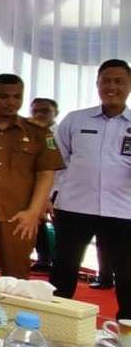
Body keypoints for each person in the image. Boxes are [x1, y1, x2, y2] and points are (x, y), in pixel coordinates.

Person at [0, 74, 63, 280]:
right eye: (3, 96)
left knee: (16, 277)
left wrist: (34, 212)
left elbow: (46, 173)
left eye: (17, 97)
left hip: (19, 215)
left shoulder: (38, 132)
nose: (11, 102)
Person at [50, 59, 131, 319]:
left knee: (127, 273)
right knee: (63, 267)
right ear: (97, 84)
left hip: (123, 211)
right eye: (106, 81)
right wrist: (52, 196)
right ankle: (56, 322)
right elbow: (57, 162)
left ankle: (127, 330)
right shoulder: (75, 119)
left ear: (129, 85)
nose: (112, 87)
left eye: (119, 81)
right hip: (75, 206)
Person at [29, 97, 59, 273]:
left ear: (56, 113)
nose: (39, 114)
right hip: (34, 188)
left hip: (59, 190)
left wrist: (48, 195)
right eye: (35, 111)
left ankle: (58, 261)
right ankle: (44, 259)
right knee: (36, 225)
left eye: (45, 111)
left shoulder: (61, 134)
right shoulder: (28, 131)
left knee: (60, 228)